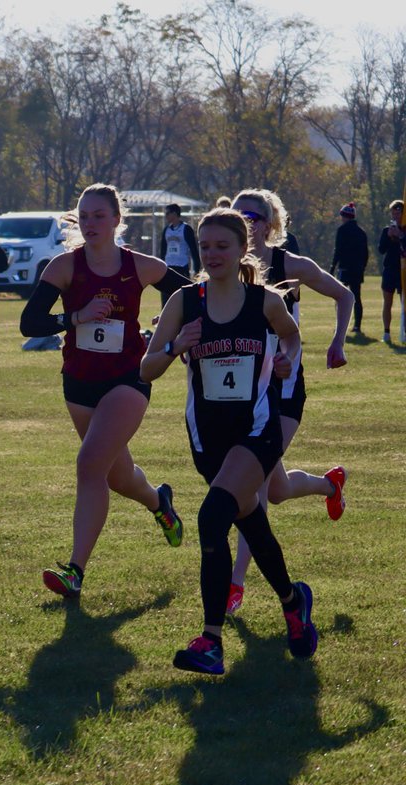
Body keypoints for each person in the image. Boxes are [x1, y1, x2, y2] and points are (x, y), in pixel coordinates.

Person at [140, 207, 317, 675]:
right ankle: (293, 601)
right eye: (205, 247)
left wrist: (285, 361)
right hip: (208, 440)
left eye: (223, 246)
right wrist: (177, 346)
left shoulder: (264, 302)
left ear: (243, 250)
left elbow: (292, 339)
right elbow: (146, 367)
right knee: (252, 524)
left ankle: (211, 641)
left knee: (212, 515)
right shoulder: (185, 302)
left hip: (258, 431)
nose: (213, 254)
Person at [19, 183, 188, 598]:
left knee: (89, 463)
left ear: (116, 219)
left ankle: (75, 571)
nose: (91, 223)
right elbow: (29, 324)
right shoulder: (64, 267)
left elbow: (190, 295)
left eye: (99, 215)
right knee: (118, 476)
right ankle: (158, 502)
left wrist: (167, 333)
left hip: (128, 379)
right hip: (79, 384)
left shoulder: (141, 266)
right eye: (84, 216)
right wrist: (74, 316)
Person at [225, 189, 351, 615]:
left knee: (253, 485)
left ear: (270, 223)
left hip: (284, 392)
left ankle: (234, 584)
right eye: (237, 214)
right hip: (245, 393)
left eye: (253, 215)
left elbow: (344, 295)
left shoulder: (289, 266)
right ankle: (329, 484)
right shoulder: (228, 267)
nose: (246, 220)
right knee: (275, 489)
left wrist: (337, 342)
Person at [331, 202, 369, 334]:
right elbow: (365, 254)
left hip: (344, 269)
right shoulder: (361, 232)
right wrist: (362, 268)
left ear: (345, 216)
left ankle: (340, 325)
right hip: (357, 270)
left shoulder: (342, 231)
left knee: (340, 297)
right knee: (357, 297)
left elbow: (338, 251)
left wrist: (332, 267)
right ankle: (357, 326)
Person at [159, 203, 201, 305]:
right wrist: (160, 266)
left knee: (181, 299)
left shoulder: (186, 229)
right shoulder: (166, 230)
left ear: (175, 213)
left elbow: (194, 251)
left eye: (168, 213)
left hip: (181, 268)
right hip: (168, 268)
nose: (166, 216)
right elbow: (163, 251)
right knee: (166, 299)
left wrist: (197, 270)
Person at [377, 200, 405, 344]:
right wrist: (389, 236)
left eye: (398, 212)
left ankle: (404, 332)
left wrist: (400, 235)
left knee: (404, 303)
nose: (395, 215)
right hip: (390, 270)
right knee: (387, 302)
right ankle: (386, 332)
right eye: (393, 213)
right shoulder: (386, 230)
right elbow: (381, 249)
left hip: (403, 271)